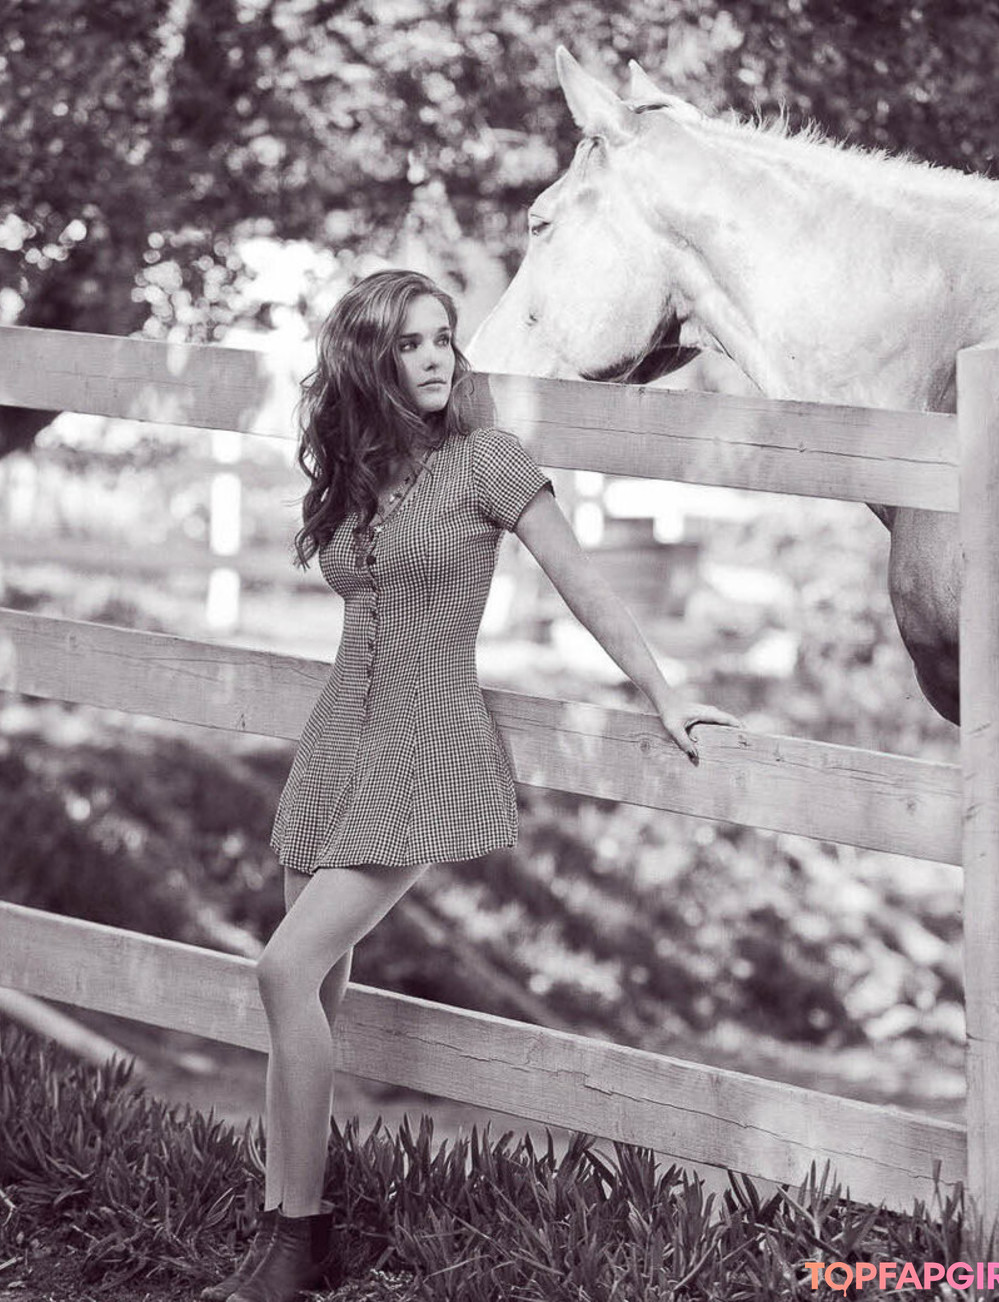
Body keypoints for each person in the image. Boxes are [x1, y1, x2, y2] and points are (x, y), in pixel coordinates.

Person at [202, 268, 741, 1302]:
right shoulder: (361, 474)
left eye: (443, 337)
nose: (435, 357)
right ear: (370, 361)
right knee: (311, 991)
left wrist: (663, 690)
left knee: (280, 972)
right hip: (337, 743)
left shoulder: (487, 460)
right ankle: (290, 1229)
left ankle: (295, 1240)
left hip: (426, 745)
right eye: (409, 343)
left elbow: (581, 579)